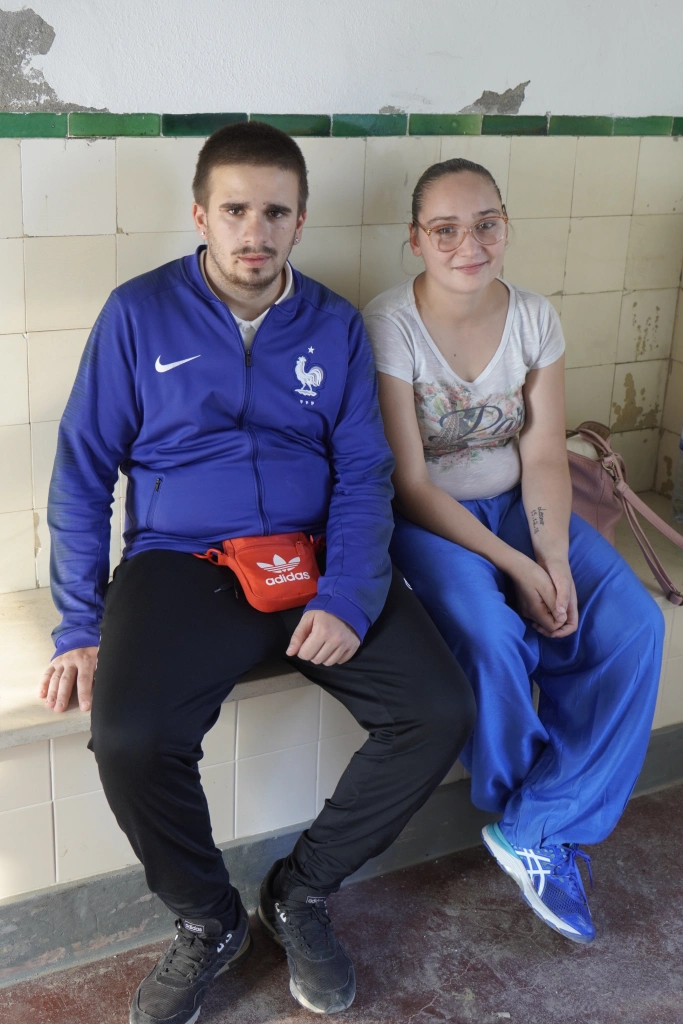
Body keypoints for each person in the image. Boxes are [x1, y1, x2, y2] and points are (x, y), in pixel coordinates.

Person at [37, 125, 475, 1023]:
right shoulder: (138, 312)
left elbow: (363, 472)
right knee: (128, 737)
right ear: (200, 214)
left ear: (300, 221)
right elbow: (82, 471)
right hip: (182, 562)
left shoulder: (333, 324)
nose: (254, 231)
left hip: (315, 556)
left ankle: (300, 891)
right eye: (234, 209)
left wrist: (348, 593)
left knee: (436, 710)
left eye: (275, 211)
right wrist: (82, 623)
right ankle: (209, 919)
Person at [363, 157, 664, 945]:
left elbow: (539, 455)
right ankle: (528, 810)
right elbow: (411, 482)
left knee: (634, 624)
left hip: (521, 503)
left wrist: (553, 558)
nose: (470, 244)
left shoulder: (534, 317)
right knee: (491, 634)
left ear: (506, 227)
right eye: (446, 229)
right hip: (432, 521)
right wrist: (517, 567)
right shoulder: (389, 323)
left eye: (486, 224)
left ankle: (536, 828)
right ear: (415, 239)